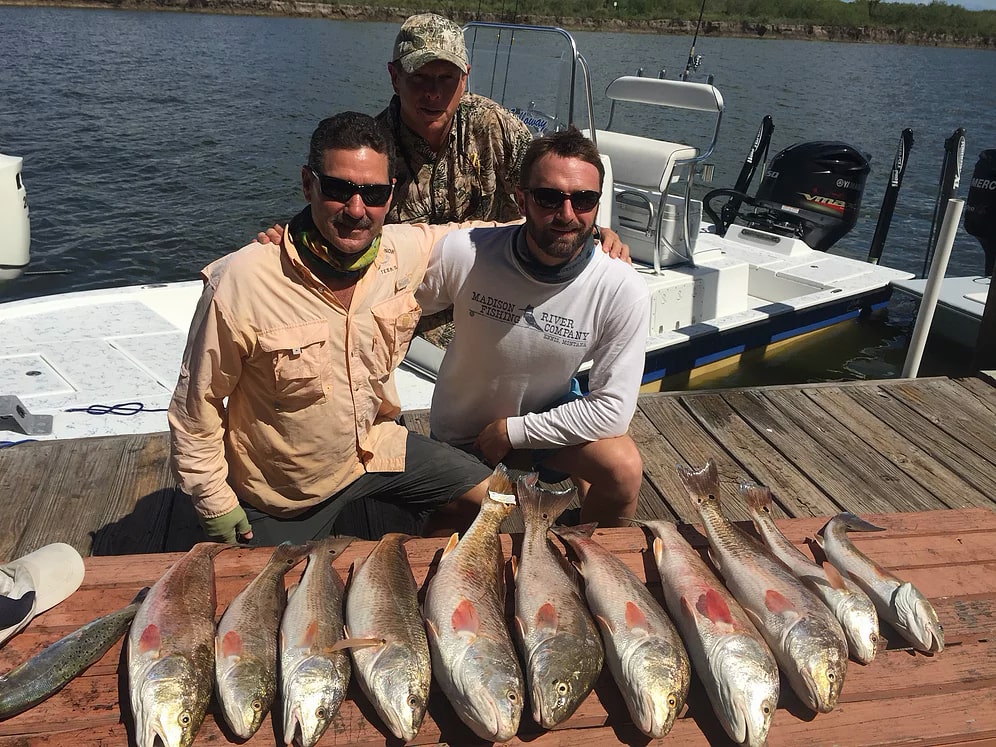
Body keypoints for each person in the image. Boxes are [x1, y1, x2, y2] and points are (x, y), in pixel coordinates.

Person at [168, 112, 495, 545]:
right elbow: (197, 406)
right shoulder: (241, 281)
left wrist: (588, 233)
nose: (357, 210)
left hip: (373, 450)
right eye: (339, 189)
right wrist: (214, 503)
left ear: (390, 194)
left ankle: (417, 565)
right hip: (282, 495)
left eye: (374, 193)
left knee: (497, 503)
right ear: (309, 184)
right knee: (271, 606)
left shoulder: (404, 252)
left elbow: (485, 236)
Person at [418, 128, 651, 527]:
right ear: (521, 198)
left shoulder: (621, 286)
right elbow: (388, 308)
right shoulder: (465, 253)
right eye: (548, 197)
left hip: (544, 423)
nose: (566, 214)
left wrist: (513, 432)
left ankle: (588, 556)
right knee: (449, 532)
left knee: (623, 469)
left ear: (597, 206)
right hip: (462, 434)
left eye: (583, 199)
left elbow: (613, 411)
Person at [378, 12, 532, 225]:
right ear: (395, 77)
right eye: (419, 77)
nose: (433, 92)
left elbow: (548, 190)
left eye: (447, 78)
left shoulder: (492, 124)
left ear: (464, 80)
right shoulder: (373, 146)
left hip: (491, 255)